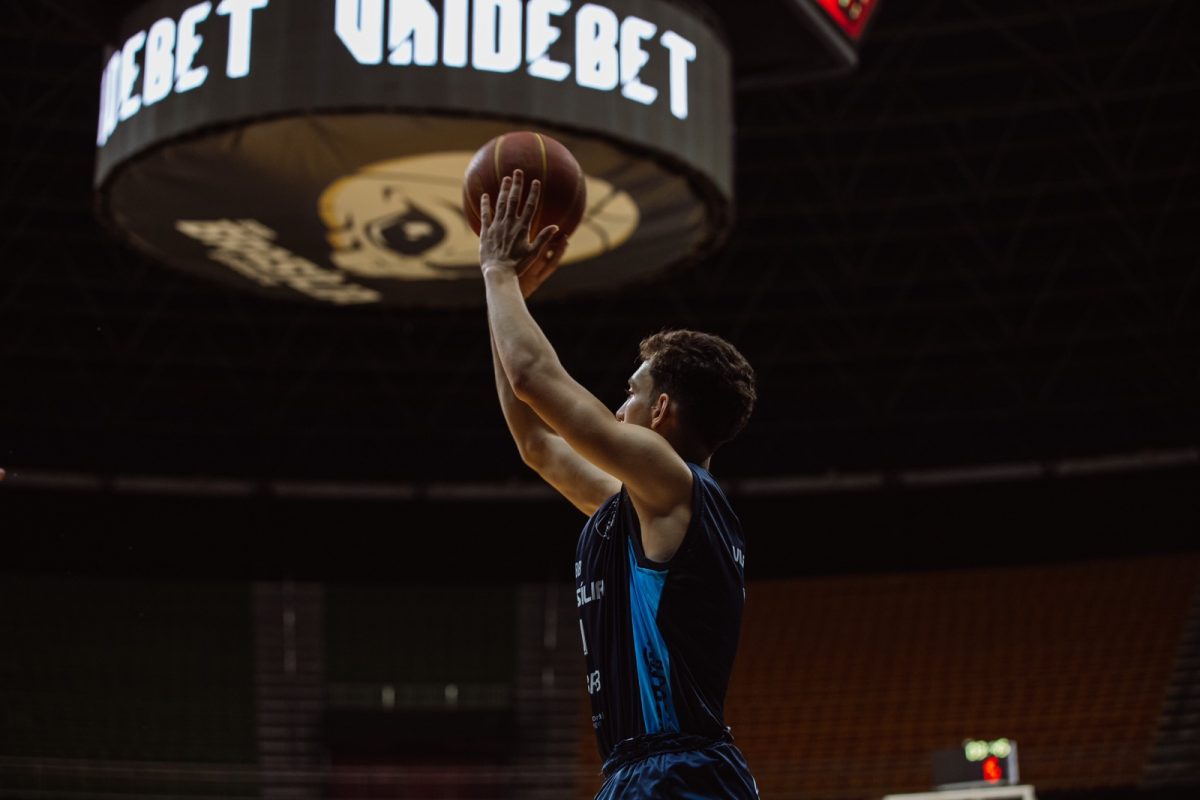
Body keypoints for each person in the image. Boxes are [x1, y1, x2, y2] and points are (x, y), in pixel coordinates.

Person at [480, 170, 760, 798]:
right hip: (642, 772)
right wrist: (504, 299)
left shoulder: (673, 481)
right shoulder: (641, 508)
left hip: (680, 772)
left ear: (661, 412)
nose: (617, 405)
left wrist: (497, 274)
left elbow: (535, 379)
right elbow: (536, 444)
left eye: (631, 392)